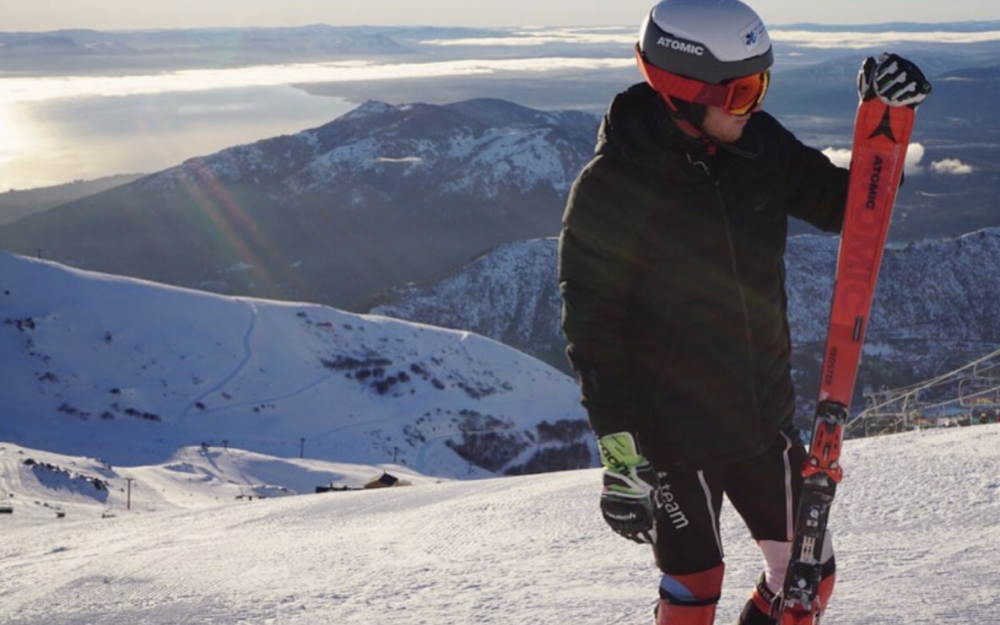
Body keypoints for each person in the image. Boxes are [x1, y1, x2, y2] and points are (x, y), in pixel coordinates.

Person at [558, 1, 931, 624]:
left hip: (762, 421)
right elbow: (592, 334)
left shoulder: (759, 146)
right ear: (681, 92)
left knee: (809, 580)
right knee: (694, 587)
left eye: (763, 82)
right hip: (673, 439)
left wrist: (887, 121)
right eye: (741, 91)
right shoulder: (609, 192)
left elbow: (851, 211)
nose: (754, 104)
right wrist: (623, 458)